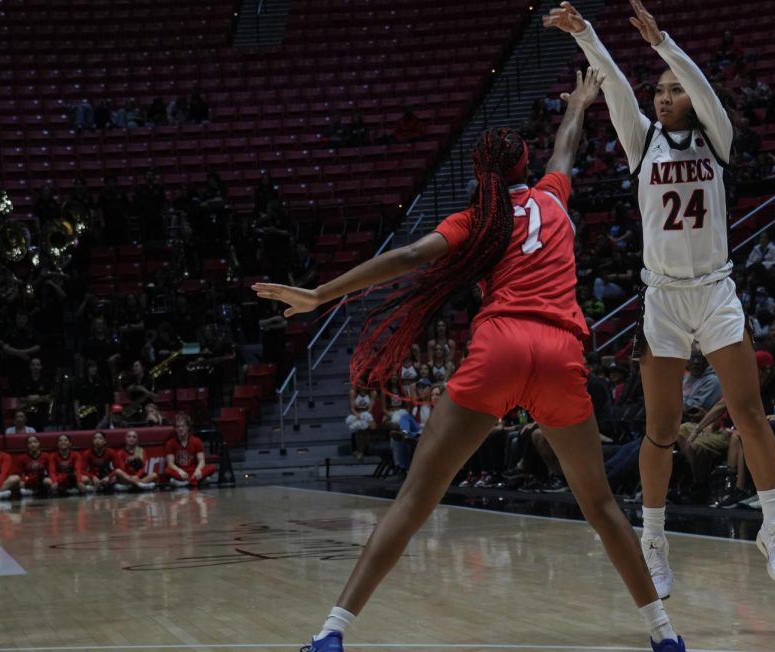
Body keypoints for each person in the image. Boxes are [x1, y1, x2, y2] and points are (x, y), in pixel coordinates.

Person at [256, 68, 688, 652]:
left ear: (479, 173)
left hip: (500, 349)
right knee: (601, 506)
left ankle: (332, 633)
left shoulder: (475, 222)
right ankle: (665, 637)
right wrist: (581, 104)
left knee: (414, 500)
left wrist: (318, 295)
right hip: (562, 355)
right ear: (524, 171)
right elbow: (566, 149)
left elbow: (409, 255)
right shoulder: (552, 198)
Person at [549, 0, 775, 599]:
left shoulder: (718, 140)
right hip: (661, 300)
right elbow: (611, 85)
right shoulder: (642, 143)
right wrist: (586, 34)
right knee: (660, 431)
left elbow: (704, 89)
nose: (662, 97)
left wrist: (666, 47)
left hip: (715, 292)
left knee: (749, 412)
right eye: (657, 91)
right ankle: (654, 541)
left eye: (671, 90)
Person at [164, 413, 217, 489]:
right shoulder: (170, 443)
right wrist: (179, 471)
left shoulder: (197, 441)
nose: (180, 429)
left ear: (188, 427)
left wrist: (198, 470)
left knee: (213, 467)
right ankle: (196, 482)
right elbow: (170, 464)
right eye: (178, 426)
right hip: (182, 473)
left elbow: (202, 460)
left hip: (194, 472)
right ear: (175, 429)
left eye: (183, 426)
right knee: (167, 470)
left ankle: (185, 483)